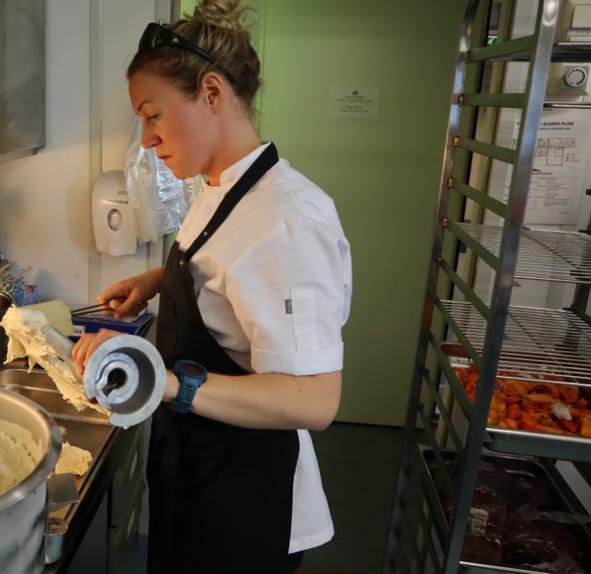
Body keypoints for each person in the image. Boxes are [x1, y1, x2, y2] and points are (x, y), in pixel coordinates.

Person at [71, 1, 352, 571]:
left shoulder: (289, 220)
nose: (147, 140)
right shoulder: (220, 186)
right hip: (200, 469)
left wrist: (168, 383)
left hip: (249, 499)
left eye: (153, 115)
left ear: (213, 94)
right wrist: (154, 282)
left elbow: (314, 400)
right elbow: (222, 271)